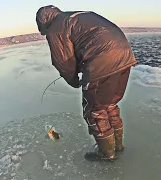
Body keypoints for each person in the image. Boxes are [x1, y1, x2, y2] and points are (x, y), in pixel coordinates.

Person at [35, 5, 137, 161]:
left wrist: (74, 81)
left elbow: (63, 61)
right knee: (109, 105)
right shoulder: (77, 16)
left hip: (102, 61)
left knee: (95, 111)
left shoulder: (55, 28)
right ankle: (117, 146)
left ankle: (107, 154)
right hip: (125, 55)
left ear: (43, 22)